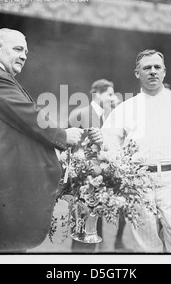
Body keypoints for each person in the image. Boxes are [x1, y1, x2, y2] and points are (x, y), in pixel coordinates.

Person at [0, 28, 84, 253]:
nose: (24, 55)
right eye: (18, 49)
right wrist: (64, 136)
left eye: (26, 51)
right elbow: (29, 116)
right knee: (3, 250)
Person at [96, 49, 171, 253]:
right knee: (145, 245)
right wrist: (119, 172)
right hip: (139, 183)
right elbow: (109, 141)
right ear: (137, 73)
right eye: (147, 68)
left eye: (157, 67)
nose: (153, 72)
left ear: (165, 72)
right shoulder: (126, 107)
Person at [68, 79, 127, 252]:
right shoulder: (80, 113)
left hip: (103, 176)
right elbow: (71, 146)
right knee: (83, 225)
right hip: (84, 178)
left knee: (96, 223)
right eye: (109, 94)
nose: (112, 97)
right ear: (96, 94)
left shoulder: (110, 115)